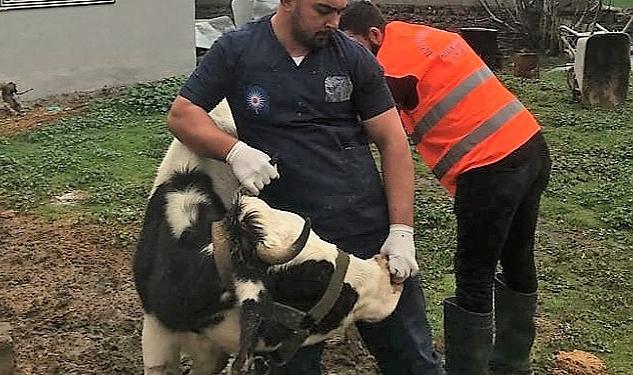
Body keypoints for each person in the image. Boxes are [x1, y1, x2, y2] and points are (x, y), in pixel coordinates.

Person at [166, 0, 445, 373]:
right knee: (290, 364)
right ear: (288, 2)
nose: (334, 22)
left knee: (412, 359)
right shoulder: (237, 50)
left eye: (340, 11)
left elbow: (393, 141)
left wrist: (401, 230)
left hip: (364, 233)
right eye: (323, 10)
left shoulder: (353, 58)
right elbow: (183, 116)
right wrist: (234, 151)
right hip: (287, 247)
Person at [340, 2, 551, 374]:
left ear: (373, 36)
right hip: (529, 144)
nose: (346, 56)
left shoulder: (390, 67)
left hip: (489, 167)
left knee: (474, 275)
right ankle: (512, 363)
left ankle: (468, 369)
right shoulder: (418, 35)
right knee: (518, 259)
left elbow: (371, 127)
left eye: (349, 45)